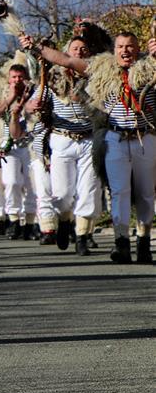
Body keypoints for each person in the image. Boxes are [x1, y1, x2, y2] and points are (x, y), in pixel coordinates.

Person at [66, 32, 156, 263]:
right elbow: (66, 61)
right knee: (119, 192)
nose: (125, 51)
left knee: (146, 194)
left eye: (129, 46)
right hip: (115, 139)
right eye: (120, 47)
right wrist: (34, 47)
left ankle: (143, 242)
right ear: (113, 50)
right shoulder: (102, 73)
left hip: (145, 138)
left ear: (138, 49)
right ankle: (121, 243)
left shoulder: (150, 70)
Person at [18, 33, 103, 254]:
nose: (79, 52)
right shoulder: (52, 77)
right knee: (62, 193)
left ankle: (83, 235)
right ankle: (65, 219)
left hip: (88, 139)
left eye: (84, 49)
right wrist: (33, 106)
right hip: (61, 138)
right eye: (75, 49)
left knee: (88, 189)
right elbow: (29, 105)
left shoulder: (95, 77)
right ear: (66, 52)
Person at [0, 63, 38, 240]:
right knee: (12, 182)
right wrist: (11, 98)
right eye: (14, 77)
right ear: (9, 79)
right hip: (9, 147)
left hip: (30, 145)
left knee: (32, 185)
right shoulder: (1, 94)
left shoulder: (33, 92)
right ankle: (14, 219)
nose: (17, 80)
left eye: (20, 77)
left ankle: (30, 223)